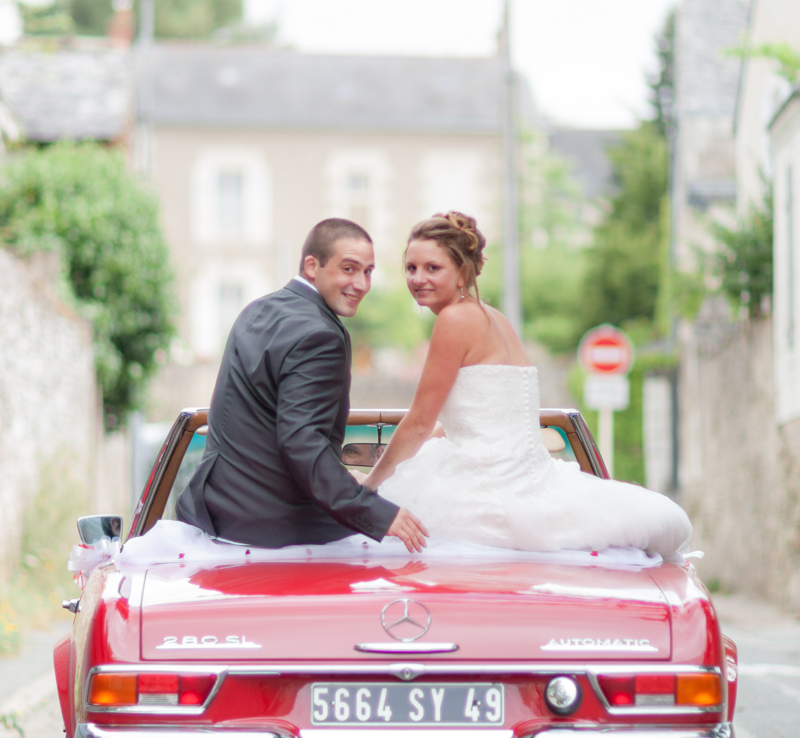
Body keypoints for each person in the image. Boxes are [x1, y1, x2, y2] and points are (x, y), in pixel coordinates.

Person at [362, 212, 692, 558]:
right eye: (411, 268)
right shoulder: (495, 319)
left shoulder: (454, 319)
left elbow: (418, 422)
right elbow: (484, 416)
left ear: (462, 272)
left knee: (375, 537)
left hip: (486, 490)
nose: (418, 278)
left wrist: (370, 486)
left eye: (432, 268)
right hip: (533, 480)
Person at [176, 218, 428, 552]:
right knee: (419, 536)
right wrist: (376, 515)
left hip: (216, 509)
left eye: (368, 272)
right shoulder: (321, 334)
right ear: (312, 265)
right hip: (278, 525)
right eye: (349, 269)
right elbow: (301, 440)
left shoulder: (257, 310)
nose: (362, 284)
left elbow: (257, 416)